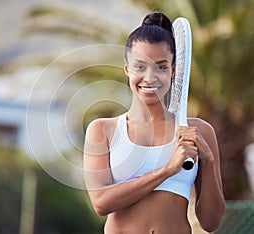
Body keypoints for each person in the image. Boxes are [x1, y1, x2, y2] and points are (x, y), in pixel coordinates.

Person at [84, 12, 225, 234]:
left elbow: (210, 222)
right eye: (140, 67)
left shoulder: (200, 132)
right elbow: (101, 202)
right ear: (127, 69)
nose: (150, 77)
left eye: (161, 67)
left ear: (174, 70)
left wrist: (208, 161)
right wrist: (167, 170)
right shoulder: (103, 130)